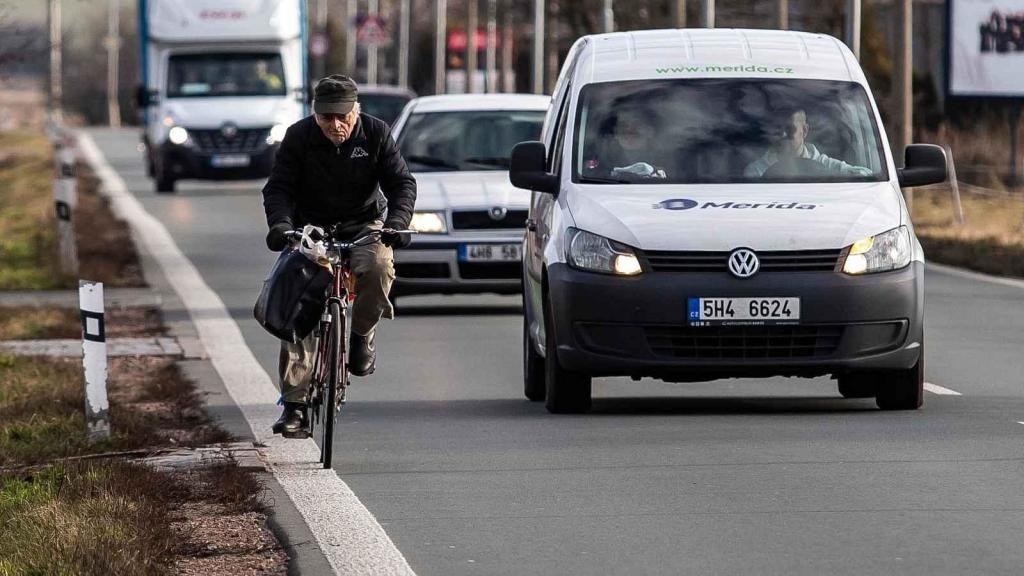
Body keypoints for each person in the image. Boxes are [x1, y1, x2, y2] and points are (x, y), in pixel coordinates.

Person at [262, 75, 416, 438]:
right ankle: (295, 406)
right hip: (310, 229)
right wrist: (281, 226)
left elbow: (401, 183)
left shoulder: (376, 134)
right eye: (326, 118)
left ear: (355, 111)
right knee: (298, 303)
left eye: (342, 117)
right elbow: (278, 188)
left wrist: (396, 223)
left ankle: (361, 336)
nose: (335, 125)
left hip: (364, 225)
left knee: (379, 265)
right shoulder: (298, 138)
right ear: (315, 115)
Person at [743, 109, 872, 178]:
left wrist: (831, 177)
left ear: (804, 131)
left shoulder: (826, 165)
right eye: (777, 129)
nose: (782, 135)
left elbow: (865, 175)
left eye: (789, 129)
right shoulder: (756, 171)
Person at [582, 107, 667, 180]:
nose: (629, 131)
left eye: (637, 125)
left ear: (650, 131)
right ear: (615, 133)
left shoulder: (670, 163)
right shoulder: (600, 164)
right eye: (623, 126)